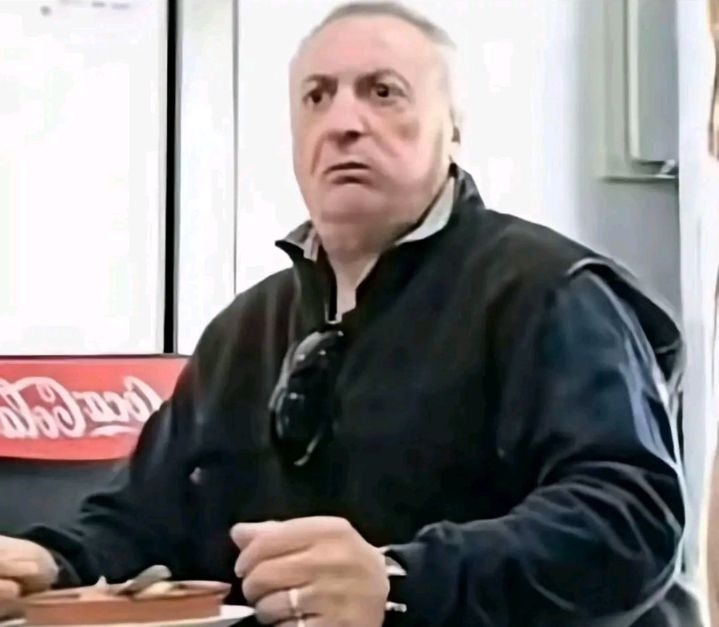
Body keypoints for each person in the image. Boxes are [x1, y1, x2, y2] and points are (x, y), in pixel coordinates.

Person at [0, 2, 688, 626]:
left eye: (382, 92)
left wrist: (399, 581)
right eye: (317, 96)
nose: (343, 122)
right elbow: (143, 520)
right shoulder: (245, 331)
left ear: (453, 128)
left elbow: (631, 520)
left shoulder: (548, 293)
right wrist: (53, 564)